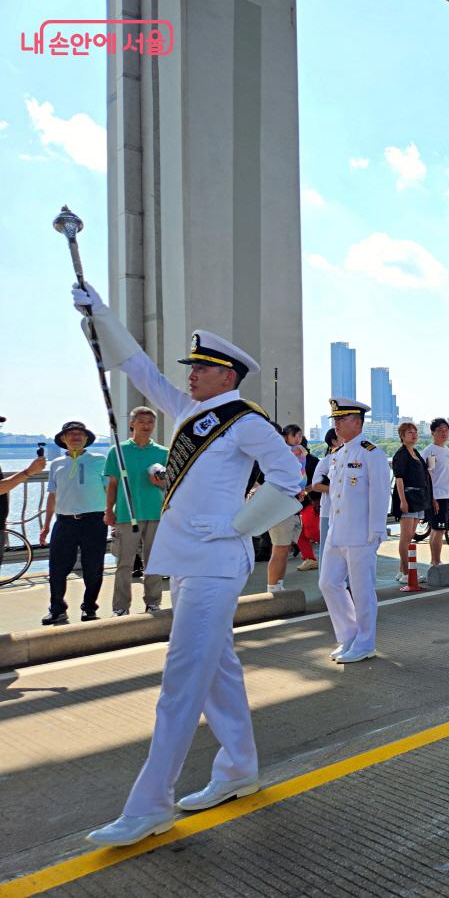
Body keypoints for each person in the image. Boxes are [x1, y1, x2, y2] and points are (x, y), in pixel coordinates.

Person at [73, 281, 302, 848]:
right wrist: (100, 315)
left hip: (215, 565)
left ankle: (151, 804)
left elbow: (290, 479)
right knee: (218, 673)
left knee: (180, 685)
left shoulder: (244, 421)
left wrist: (237, 524)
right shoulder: (190, 413)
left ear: (227, 374)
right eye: (191, 368)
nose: (190, 375)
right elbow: (141, 370)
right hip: (188, 563)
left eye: (201, 368)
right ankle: (239, 768)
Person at [319, 398, 390, 663]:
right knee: (328, 583)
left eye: (341, 419)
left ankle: (365, 642)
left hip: (361, 533)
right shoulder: (337, 456)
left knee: (362, 589)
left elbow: (380, 494)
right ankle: (349, 635)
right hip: (337, 532)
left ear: (357, 422)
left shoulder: (371, 453)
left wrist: (377, 529)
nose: (336, 424)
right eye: (335, 420)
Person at [40, 421, 109, 626]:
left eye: (80, 434)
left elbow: (109, 490)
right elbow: (52, 495)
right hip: (64, 522)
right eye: (70, 434)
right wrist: (46, 525)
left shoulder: (99, 460)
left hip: (94, 520)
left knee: (93, 567)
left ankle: (89, 608)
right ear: (63, 439)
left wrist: (112, 514)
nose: (76, 437)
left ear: (87, 438)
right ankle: (57, 609)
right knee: (57, 568)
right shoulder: (56, 465)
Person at [104, 406, 169, 616]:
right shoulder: (118, 451)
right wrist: (109, 510)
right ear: (132, 424)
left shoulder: (163, 452)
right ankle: (120, 607)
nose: (146, 426)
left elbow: (171, 485)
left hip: (156, 514)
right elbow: (112, 484)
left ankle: (153, 602)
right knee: (124, 562)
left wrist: (159, 483)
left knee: (155, 561)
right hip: (126, 514)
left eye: (150, 422)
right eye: (141, 421)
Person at [264, 423, 305, 593]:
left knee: (284, 548)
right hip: (280, 506)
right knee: (280, 548)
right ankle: (273, 587)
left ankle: (278, 585)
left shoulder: (284, 454)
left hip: (290, 505)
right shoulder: (269, 456)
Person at [391, 422, 433, 582]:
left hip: (418, 498)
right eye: (409, 432)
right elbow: (399, 479)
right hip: (408, 497)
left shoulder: (415, 452)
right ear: (402, 436)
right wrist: (402, 500)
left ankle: (402, 570)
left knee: (410, 535)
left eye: (415, 432)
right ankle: (408, 572)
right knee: (406, 536)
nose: (414, 434)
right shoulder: (401, 454)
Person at [282, 425, 321, 573]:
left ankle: (336, 550)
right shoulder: (285, 458)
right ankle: (309, 558)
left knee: (311, 531)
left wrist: (307, 489)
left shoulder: (312, 461)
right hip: (292, 501)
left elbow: (323, 480)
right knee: (297, 532)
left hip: (309, 500)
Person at [421, 418, 449, 579]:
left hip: (448, 494)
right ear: (433, 432)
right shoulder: (431, 451)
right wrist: (432, 497)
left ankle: (435, 560)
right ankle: (435, 561)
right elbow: (428, 475)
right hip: (438, 496)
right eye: (440, 430)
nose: (444, 433)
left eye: (446, 430)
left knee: (440, 529)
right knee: (438, 529)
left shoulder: (447, 450)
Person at [309, 429, 340, 564]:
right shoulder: (326, 461)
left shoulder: (351, 458)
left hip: (347, 511)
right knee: (327, 549)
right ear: (334, 441)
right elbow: (316, 485)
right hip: (328, 510)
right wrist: (338, 490)